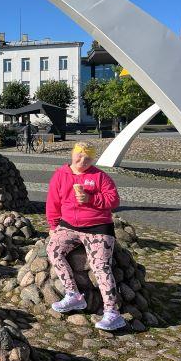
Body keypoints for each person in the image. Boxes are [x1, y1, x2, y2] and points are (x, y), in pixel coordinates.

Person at [45, 141, 124, 331]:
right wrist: (53, 225)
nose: (82, 161)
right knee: (53, 250)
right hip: (69, 225)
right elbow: (53, 202)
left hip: (99, 226)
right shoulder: (60, 175)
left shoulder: (100, 176)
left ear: (93, 159)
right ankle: (73, 295)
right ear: (73, 154)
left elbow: (114, 200)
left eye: (87, 158)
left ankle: (112, 313)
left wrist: (91, 199)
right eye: (79, 156)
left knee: (100, 266)